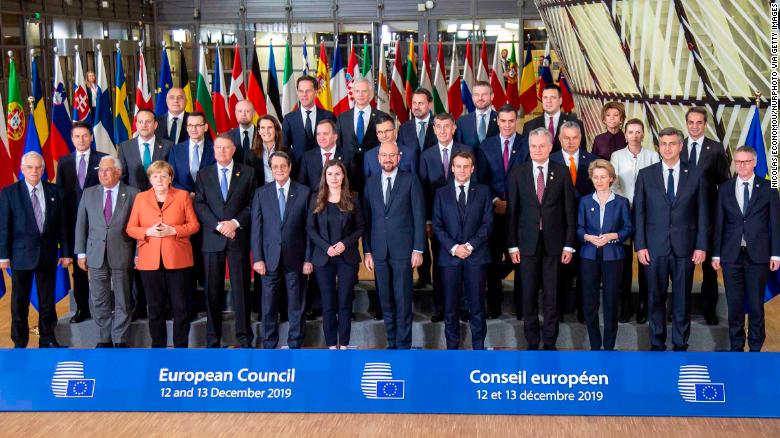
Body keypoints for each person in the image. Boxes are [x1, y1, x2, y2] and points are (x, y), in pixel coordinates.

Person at [634, 127, 708, 352]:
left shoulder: (695, 173)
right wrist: (641, 245)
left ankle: (680, 342)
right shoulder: (646, 174)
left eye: (672, 144)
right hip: (654, 248)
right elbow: (639, 213)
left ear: (681, 146)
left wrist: (701, 245)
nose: (667, 148)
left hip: (685, 247)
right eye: (663, 144)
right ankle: (657, 342)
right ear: (659, 146)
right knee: (655, 296)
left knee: (682, 298)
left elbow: (702, 212)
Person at [507, 128, 577, 350]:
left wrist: (569, 244)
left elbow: (569, 211)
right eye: (533, 146)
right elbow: (512, 213)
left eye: (541, 146)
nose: (537, 150)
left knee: (552, 295)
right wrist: (512, 245)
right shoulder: (518, 173)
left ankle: (549, 341)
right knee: (528, 295)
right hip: (526, 244)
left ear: (549, 147)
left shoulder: (562, 172)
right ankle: (532, 341)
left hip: (555, 245)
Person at [711, 146, 780, 352]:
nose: (741, 165)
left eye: (746, 161)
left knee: (756, 304)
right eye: (738, 161)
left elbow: (775, 224)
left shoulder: (768, 189)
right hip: (731, 255)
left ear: (755, 163)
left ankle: (756, 346)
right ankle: (737, 345)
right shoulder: (724, 189)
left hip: (758, 256)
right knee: (735, 304)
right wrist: (716, 253)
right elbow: (719, 223)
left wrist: (776, 253)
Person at [126, 160, 200, 348]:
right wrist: (147, 232)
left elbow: (194, 225)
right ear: (150, 178)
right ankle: (158, 347)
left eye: (163, 176)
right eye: (155, 176)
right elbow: (131, 228)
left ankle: (180, 347)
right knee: (155, 309)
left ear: (170, 178)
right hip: (150, 262)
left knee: (180, 308)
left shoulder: (182, 196)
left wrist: (173, 230)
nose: (159, 179)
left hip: (178, 260)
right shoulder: (141, 198)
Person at [0, 152, 70, 348]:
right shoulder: (9, 193)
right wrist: (3, 256)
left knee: (47, 301)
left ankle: (47, 338)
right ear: (22, 169)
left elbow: (62, 226)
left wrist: (65, 252)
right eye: (30, 167)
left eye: (38, 167)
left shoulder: (56, 192)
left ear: (43, 169)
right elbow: (3, 226)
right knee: (19, 303)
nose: (34, 171)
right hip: (20, 255)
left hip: (47, 256)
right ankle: (20, 341)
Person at [194, 134, 257, 348]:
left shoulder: (248, 173)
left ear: (233, 150)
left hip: (237, 238)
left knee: (241, 289)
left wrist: (235, 223)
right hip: (213, 239)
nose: (222, 151)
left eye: (226, 148)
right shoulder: (203, 174)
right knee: (212, 291)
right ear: (213, 150)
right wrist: (219, 225)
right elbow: (200, 205)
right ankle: (213, 339)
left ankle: (244, 337)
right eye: (218, 148)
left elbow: (252, 204)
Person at [363, 142, 426, 349]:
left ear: (398, 157)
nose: (387, 159)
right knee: (386, 301)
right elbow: (367, 220)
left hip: (404, 251)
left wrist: (418, 249)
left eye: (391, 155)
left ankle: (404, 345)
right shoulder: (370, 183)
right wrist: (368, 250)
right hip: (379, 252)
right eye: (384, 155)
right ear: (378, 158)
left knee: (403, 300)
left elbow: (419, 216)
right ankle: (391, 344)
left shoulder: (410, 180)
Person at [74, 156, 139, 347]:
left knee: (123, 299)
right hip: (95, 255)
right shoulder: (89, 193)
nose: (102, 174)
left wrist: (138, 253)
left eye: (107, 170)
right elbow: (81, 225)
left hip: (122, 253)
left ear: (118, 172)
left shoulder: (133, 194)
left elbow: (138, 225)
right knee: (99, 298)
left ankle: (119, 338)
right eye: (100, 170)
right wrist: (81, 253)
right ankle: (104, 338)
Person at [432, 150, 493, 350]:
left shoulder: (483, 191)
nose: (462, 170)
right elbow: (437, 226)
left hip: (476, 258)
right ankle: (452, 351)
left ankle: (478, 350)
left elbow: (487, 224)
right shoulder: (441, 193)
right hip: (450, 260)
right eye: (458, 166)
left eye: (466, 166)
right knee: (450, 308)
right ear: (452, 168)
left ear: (472, 168)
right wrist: (454, 248)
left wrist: (469, 246)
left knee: (477, 307)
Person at [251, 151, 313, 349]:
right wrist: (258, 258)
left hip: (296, 258)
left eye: (282, 166)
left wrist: (308, 259)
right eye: (275, 166)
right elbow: (256, 229)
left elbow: (309, 229)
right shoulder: (261, 193)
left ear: (290, 167)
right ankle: (269, 343)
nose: (279, 170)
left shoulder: (304, 192)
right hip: (268, 260)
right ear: (271, 168)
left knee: (296, 305)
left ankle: (295, 343)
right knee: (268, 306)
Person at [475, 104, 529, 319]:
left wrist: (513, 203)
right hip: (494, 214)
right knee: (494, 262)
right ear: (497, 121)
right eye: (503, 121)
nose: (507, 125)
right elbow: (481, 180)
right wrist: (496, 200)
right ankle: (494, 307)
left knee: (521, 263)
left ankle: (521, 309)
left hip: (521, 214)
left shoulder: (527, 145)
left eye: (511, 121)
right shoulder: (485, 146)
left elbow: (529, 180)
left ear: (517, 121)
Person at [307, 160, 365, 349]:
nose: (334, 178)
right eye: (330, 174)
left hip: (347, 257)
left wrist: (343, 244)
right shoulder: (317, 198)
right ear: (325, 176)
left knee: (345, 300)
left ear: (343, 176)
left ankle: (345, 344)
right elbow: (311, 229)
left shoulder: (353, 197)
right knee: (328, 302)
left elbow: (360, 228)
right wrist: (326, 247)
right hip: (324, 258)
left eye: (338, 174)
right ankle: (332, 344)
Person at [418, 113, 470, 322]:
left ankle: (463, 307)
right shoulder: (426, 155)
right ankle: (440, 307)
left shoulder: (466, 152)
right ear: (433, 129)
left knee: (465, 265)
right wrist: (428, 220)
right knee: (441, 266)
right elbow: (423, 190)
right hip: (438, 223)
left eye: (446, 126)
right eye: (438, 127)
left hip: (465, 221)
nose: (442, 130)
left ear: (454, 128)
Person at [577, 160, 633, 351]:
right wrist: (588, 237)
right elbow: (578, 228)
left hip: (613, 256)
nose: (599, 181)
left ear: (611, 178)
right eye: (595, 177)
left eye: (603, 177)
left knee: (611, 300)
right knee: (590, 301)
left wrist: (612, 236)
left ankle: (608, 346)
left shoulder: (622, 202)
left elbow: (628, 228)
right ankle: (595, 345)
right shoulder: (584, 201)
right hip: (589, 255)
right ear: (591, 179)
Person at [683, 107, 731, 326]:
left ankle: (709, 310)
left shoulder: (716, 149)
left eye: (699, 122)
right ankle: (679, 309)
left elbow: (724, 186)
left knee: (710, 271)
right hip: (682, 220)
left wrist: (718, 219)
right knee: (684, 269)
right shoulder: (678, 146)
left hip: (708, 219)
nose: (694, 126)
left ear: (705, 124)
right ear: (687, 123)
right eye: (691, 122)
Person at [56, 121, 106, 323]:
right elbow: (60, 193)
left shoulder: (102, 159)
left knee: (102, 268)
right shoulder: (64, 162)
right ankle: (82, 309)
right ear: (72, 139)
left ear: (91, 138)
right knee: (79, 270)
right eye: (77, 136)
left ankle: (103, 309)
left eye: (85, 136)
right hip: (74, 223)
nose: (81, 140)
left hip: (99, 222)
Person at [610, 119, 659, 323]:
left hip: (647, 214)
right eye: (631, 131)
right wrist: (627, 203)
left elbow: (656, 183)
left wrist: (641, 203)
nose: (634, 135)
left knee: (645, 261)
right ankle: (625, 306)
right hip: (624, 213)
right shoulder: (617, 156)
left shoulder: (652, 155)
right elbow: (613, 183)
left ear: (643, 134)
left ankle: (644, 305)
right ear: (626, 134)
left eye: (638, 132)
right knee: (624, 263)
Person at [550, 121, 595, 323]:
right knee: (558, 272)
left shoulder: (592, 161)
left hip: (586, 227)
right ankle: (558, 312)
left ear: (581, 139)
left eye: (574, 137)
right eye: (566, 137)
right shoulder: (550, 161)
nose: (570, 141)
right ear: (559, 139)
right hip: (558, 227)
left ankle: (583, 313)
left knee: (584, 272)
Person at [336, 77, 388, 186]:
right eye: (357, 91)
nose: (360, 94)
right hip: (348, 174)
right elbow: (339, 146)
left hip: (375, 171)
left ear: (371, 94)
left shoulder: (382, 117)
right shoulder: (342, 118)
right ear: (353, 94)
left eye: (364, 91)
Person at [282, 76, 336, 168]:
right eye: (301, 91)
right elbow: (285, 148)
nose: (304, 95)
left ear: (316, 92)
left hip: (325, 170)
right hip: (297, 170)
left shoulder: (328, 116)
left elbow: (335, 144)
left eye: (308, 91)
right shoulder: (289, 119)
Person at [118, 108, 173, 190]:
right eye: (140, 122)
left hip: (162, 196)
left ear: (155, 125)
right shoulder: (125, 147)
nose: (144, 125)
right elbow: (121, 176)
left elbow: (172, 174)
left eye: (148, 122)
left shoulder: (168, 146)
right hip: (134, 198)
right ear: (136, 125)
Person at [521, 83, 586, 153]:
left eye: (553, 97)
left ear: (560, 101)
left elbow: (581, 153)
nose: (548, 101)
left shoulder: (576, 124)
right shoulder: (529, 126)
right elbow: (525, 155)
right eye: (545, 97)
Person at [298, 119, 359, 192]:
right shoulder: (307, 157)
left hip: (341, 201)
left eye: (325, 134)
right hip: (315, 201)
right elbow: (302, 185)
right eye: (318, 134)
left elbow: (355, 185)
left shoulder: (349, 156)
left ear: (335, 137)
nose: (321, 138)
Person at [363, 114, 419, 179]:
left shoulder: (410, 153)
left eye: (387, 131)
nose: (384, 135)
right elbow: (368, 185)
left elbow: (415, 180)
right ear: (377, 134)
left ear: (395, 131)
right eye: (380, 132)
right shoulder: (369, 155)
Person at [455, 81, 499, 148]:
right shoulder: (461, 122)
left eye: (484, 94)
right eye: (476, 95)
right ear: (472, 97)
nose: (480, 98)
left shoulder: (501, 119)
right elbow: (458, 148)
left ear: (492, 96)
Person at [250, 114, 287, 186]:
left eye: (270, 127)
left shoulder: (288, 152)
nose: (266, 131)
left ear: (276, 130)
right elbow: (249, 182)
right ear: (259, 131)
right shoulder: (250, 154)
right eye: (263, 128)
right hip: (260, 193)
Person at [397, 88, 437, 153]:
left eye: (420, 103)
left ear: (429, 105)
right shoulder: (404, 128)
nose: (416, 107)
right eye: (414, 103)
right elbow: (401, 152)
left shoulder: (439, 124)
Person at [227, 100, 256, 164]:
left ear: (254, 113)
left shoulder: (262, 134)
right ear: (236, 114)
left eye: (247, 111)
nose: (243, 114)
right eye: (240, 111)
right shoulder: (227, 137)